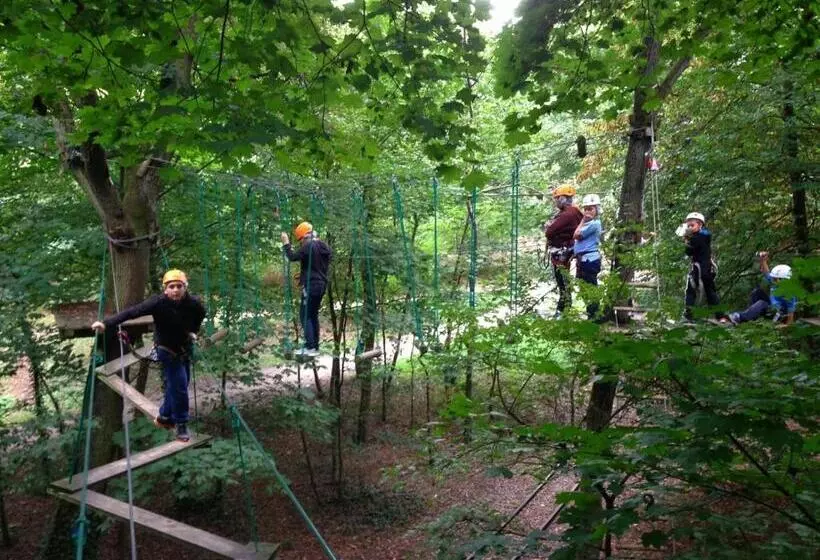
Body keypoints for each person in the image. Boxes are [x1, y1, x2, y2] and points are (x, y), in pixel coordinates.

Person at [91, 269, 206, 442]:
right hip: (166, 350)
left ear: (185, 287)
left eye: (179, 286)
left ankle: (165, 417)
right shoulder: (157, 303)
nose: (175, 290)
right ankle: (181, 424)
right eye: (171, 286)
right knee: (180, 387)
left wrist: (193, 331)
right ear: (165, 289)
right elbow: (132, 312)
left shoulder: (194, 304)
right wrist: (107, 324)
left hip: (184, 348)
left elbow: (200, 315)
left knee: (178, 385)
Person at [281, 221, 333, 358]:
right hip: (321, 285)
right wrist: (304, 274)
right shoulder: (325, 247)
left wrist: (286, 243)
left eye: (300, 241)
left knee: (305, 315)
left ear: (304, 237)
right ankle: (314, 346)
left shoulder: (308, 246)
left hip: (311, 286)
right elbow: (317, 265)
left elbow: (292, 257)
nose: (301, 244)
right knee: (312, 314)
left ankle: (310, 346)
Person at [723, 252, 796, 325]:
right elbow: (766, 272)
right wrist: (763, 260)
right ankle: (750, 315)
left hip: (778, 315)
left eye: (775, 279)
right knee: (757, 292)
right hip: (771, 308)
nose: (773, 280)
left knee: (762, 303)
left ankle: (740, 317)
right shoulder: (776, 283)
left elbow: (791, 313)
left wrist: (786, 326)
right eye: (774, 278)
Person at [544, 184, 583, 318]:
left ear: (562, 198)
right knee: (564, 282)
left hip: (562, 253)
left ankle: (563, 311)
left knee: (562, 282)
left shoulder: (568, 214)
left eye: (556, 199)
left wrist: (549, 228)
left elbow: (550, 232)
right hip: (566, 251)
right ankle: (565, 309)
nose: (555, 202)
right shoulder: (575, 212)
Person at [679, 211, 719, 321]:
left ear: (700, 225)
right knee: (709, 292)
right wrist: (688, 239)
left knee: (693, 291)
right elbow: (691, 251)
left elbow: (691, 249)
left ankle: (689, 315)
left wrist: (687, 239)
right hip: (703, 269)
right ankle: (720, 316)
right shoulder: (701, 236)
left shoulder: (700, 236)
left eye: (692, 225)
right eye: (688, 226)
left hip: (701, 269)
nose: (690, 228)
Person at [573, 194, 603, 319]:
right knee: (583, 287)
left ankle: (594, 316)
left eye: (591, 208)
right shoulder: (587, 224)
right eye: (585, 209)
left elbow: (576, 235)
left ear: (597, 209)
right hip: (583, 260)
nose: (587, 212)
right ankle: (592, 313)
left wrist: (582, 221)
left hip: (590, 260)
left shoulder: (594, 224)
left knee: (590, 287)